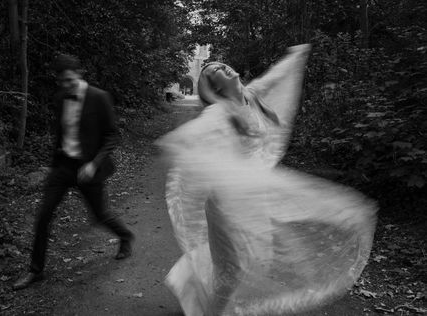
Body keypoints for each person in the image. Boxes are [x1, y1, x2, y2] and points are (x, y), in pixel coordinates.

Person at [157, 44, 377, 315]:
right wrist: (175, 144)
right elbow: (188, 136)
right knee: (233, 270)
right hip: (226, 203)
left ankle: (194, 282)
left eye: (222, 64)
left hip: (251, 199)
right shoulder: (219, 112)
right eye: (215, 71)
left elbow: (274, 77)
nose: (222, 67)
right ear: (216, 86)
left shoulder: (251, 96)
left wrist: (295, 57)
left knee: (255, 259)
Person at [13, 54, 135, 291]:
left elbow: (112, 135)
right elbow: (60, 133)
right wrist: (53, 163)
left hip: (89, 168)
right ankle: (35, 270)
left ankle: (125, 236)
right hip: (63, 167)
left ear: (79, 73)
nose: (66, 85)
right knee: (43, 216)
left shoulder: (100, 98)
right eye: (61, 81)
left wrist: (94, 164)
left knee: (100, 215)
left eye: (69, 80)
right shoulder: (60, 97)